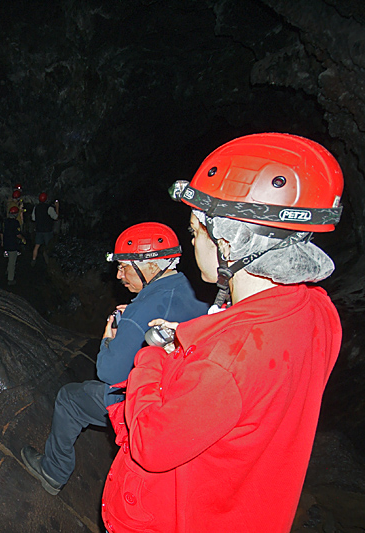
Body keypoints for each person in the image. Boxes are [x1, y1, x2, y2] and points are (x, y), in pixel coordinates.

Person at [101, 133, 344, 533]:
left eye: (196, 232)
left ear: (228, 243)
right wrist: (192, 339)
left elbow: (150, 443)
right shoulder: (318, 311)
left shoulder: (228, 358)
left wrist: (153, 357)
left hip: (181, 518)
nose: (193, 241)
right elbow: (254, 379)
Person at [20, 222, 208, 495]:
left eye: (125, 266)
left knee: (70, 398)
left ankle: (53, 471)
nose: (119, 275)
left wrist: (110, 338)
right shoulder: (196, 290)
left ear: (152, 266)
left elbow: (109, 373)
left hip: (152, 405)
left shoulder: (141, 310)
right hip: (187, 397)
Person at [31, 192, 59, 266]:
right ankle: (49, 262)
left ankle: (33, 259)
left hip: (39, 230)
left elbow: (33, 218)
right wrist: (57, 207)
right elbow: (56, 217)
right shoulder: (49, 208)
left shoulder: (36, 207)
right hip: (47, 230)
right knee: (49, 246)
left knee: (37, 245)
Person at [1, 205, 26, 285]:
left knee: (9, 259)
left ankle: (7, 271)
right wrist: (23, 238)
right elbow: (17, 234)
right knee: (12, 261)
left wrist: (2, 242)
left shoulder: (5, 222)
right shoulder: (15, 223)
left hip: (6, 243)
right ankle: (10, 279)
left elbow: (1, 233)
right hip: (12, 244)